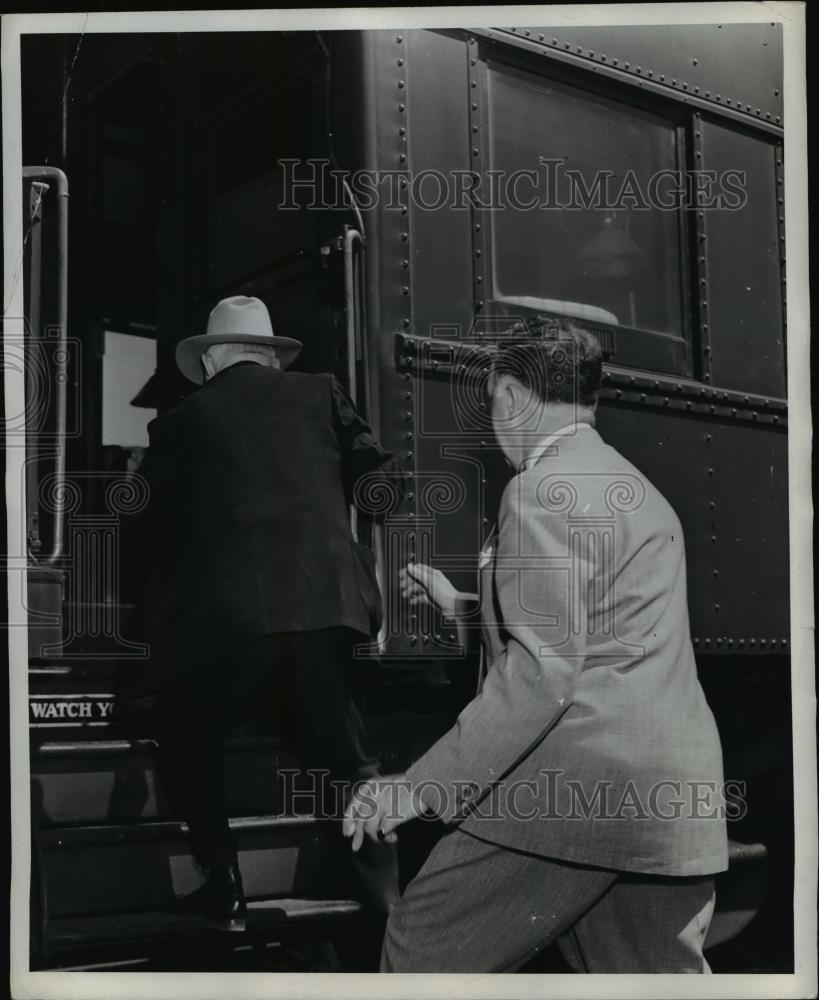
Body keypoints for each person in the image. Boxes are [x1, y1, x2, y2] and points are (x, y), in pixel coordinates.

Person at [344, 319, 729, 973]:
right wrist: (466, 609)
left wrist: (418, 788)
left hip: (573, 791)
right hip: (664, 795)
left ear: (512, 394)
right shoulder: (636, 487)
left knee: (420, 951)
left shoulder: (536, 493)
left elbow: (542, 672)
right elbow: (606, 627)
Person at [120, 295, 400, 937]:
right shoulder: (323, 394)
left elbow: (140, 537)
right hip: (330, 611)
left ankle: (223, 885)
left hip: (234, 624)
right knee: (350, 761)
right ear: (270, 357)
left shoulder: (182, 422)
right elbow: (383, 488)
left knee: (187, 727)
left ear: (213, 358)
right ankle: (388, 911)